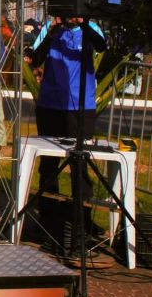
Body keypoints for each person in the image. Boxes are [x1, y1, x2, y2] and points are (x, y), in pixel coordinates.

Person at [30, 15, 107, 249]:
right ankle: (48, 222)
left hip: (81, 108)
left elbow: (102, 46)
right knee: (49, 165)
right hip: (50, 105)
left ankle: (80, 224)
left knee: (79, 165)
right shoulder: (50, 27)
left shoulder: (91, 28)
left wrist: (82, 23)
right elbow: (34, 58)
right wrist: (53, 27)